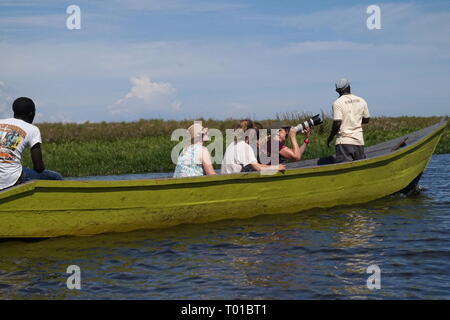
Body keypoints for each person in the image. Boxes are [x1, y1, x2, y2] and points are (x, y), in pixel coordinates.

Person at [0, 97, 63, 190]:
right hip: (11, 178)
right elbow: (38, 167)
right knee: (57, 177)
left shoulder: (1, 122)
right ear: (31, 114)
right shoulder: (32, 129)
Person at [327, 79, 370, 162]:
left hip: (344, 142)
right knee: (359, 169)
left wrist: (330, 137)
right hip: (359, 141)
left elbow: (337, 123)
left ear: (337, 91)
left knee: (344, 170)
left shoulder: (337, 103)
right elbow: (367, 119)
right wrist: (355, 122)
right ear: (349, 87)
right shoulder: (361, 100)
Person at [221, 119, 286, 174]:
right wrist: (276, 167)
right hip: (235, 182)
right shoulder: (245, 147)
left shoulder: (231, 144)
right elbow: (258, 168)